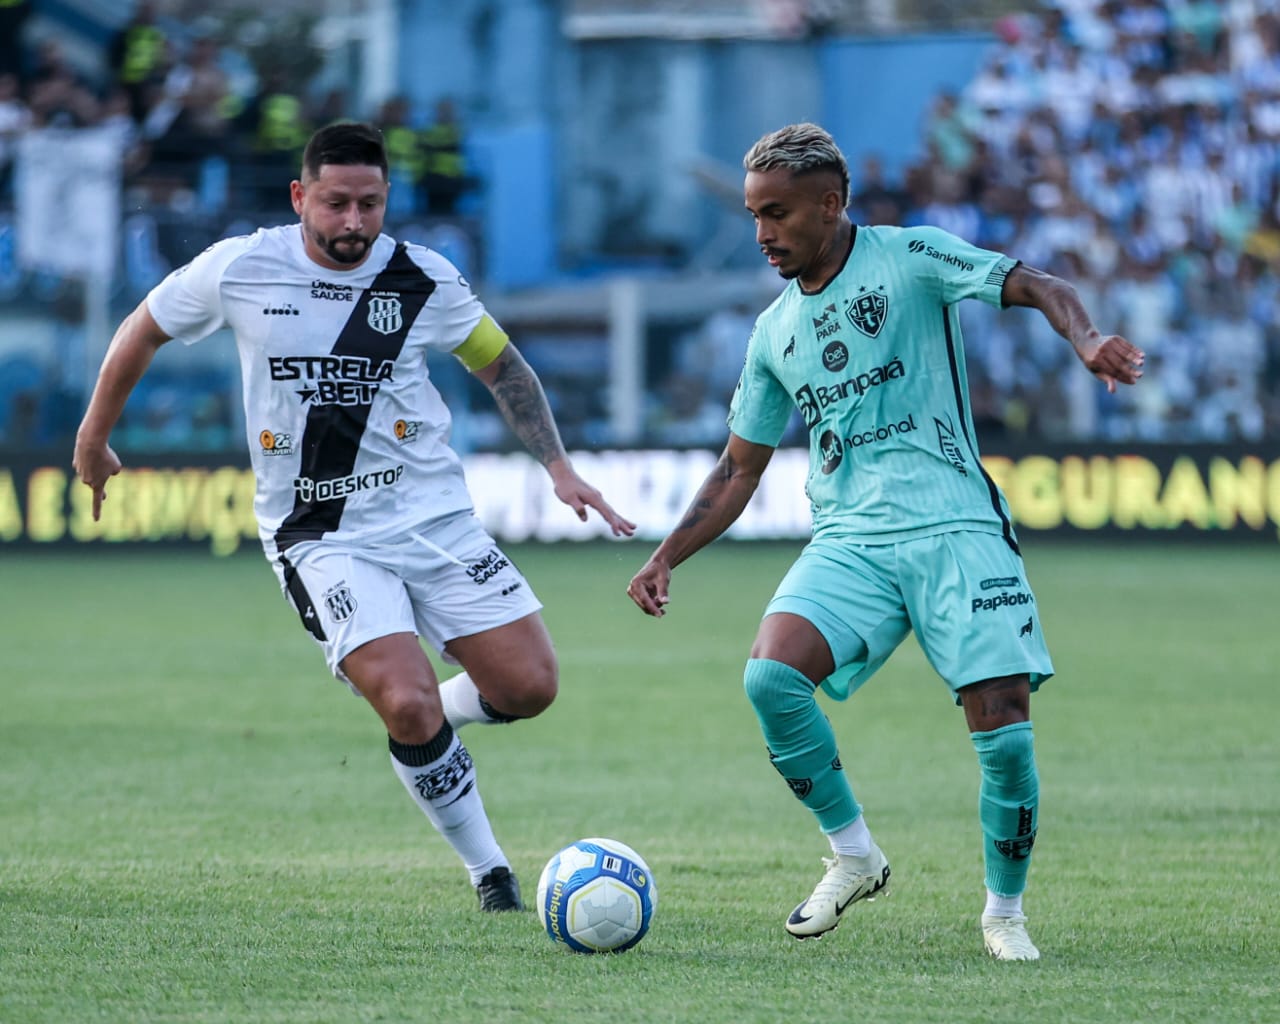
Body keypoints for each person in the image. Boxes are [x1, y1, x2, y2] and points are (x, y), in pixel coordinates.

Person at [74, 121, 635, 912]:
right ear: (301, 196)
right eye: (336, 204)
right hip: (321, 535)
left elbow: (504, 367)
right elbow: (143, 328)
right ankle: (491, 873)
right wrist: (94, 435)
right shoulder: (240, 267)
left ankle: (424, 728)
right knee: (406, 701)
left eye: (369, 205)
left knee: (530, 686)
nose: (353, 223)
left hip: (434, 520)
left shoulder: (422, 278)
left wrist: (558, 465)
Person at [627, 122, 1144, 960]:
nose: (762, 233)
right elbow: (736, 470)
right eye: (755, 215)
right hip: (851, 538)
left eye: (779, 214)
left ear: (831, 204)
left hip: (955, 526)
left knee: (1004, 731)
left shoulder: (911, 258)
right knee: (770, 679)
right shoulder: (772, 334)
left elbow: (1037, 282)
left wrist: (1086, 339)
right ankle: (854, 854)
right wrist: (664, 556)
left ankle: (1003, 914)